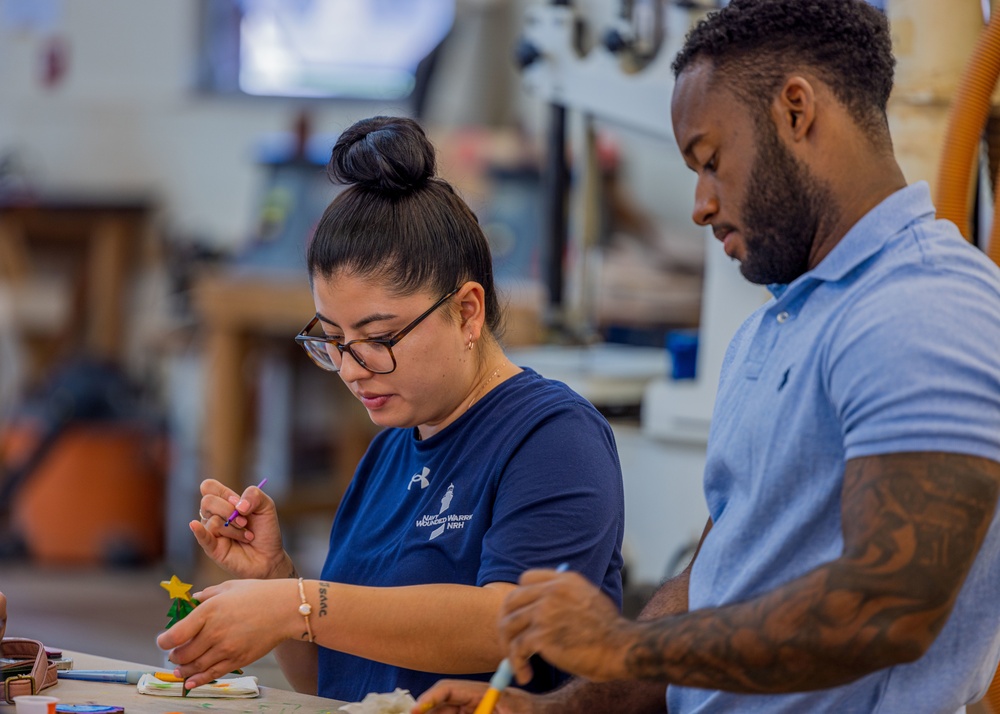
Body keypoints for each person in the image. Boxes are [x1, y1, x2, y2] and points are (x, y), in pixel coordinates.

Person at [416, 1, 1000, 712]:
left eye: (710, 160)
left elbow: (886, 608)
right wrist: (551, 710)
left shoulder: (924, 306)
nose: (700, 203)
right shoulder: (775, 328)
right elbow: (714, 583)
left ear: (795, 112)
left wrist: (619, 642)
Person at [156, 116, 625, 703]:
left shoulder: (554, 437)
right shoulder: (388, 453)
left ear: (468, 313)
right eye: (332, 339)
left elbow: (508, 623)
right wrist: (274, 578)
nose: (351, 368)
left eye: (380, 338)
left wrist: (296, 604)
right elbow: (328, 676)